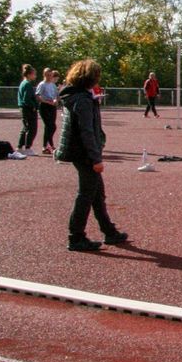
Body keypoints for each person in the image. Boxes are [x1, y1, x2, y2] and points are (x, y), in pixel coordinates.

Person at [56, 59, 127, 252]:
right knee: (86, 195)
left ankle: (109, 231)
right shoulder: (82, 100)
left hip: (81, 152)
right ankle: (76, 236)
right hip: (84, 154)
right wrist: (96, 158)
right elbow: (86, 131)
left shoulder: (77, 97)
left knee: (96, 193)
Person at [35, 67, 60, 155]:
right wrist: (47, 102)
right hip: (45, 106)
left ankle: (48, 144)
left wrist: (56, 100)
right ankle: (46, 146)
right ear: (44, 75)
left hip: (52, 106)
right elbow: (38, 96)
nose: (49, 77)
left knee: (53, 126)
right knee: (49, 125)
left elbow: (57, 95)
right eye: (48, 75)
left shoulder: (53, 85)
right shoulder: (42, 84)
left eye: (50, 75)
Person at [17, 63, 39, 156]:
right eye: (34, 74)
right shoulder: (27, 84)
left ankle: (19, 147)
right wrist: (33, 106)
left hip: (24, 109)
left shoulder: (23, 83)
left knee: (25, 128)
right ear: (29, 74)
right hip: (28, 109)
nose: (35, 76)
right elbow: (26, 99)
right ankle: (27, 147)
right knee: (32, 128)